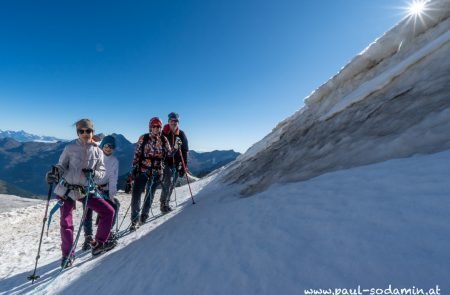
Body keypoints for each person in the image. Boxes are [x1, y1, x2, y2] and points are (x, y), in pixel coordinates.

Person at [45, 119, 116, 268]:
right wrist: (55, 173)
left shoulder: (97, 151)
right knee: (66, 222)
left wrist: (94, 173)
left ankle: (99, 243)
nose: (85, 133)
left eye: (88, 131)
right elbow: (61, 165)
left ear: (92, 132)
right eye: (81, 131)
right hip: (67, 189)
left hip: (85, 190)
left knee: (109, 211)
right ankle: (67, 256)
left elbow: (102, 172)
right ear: (78, 132)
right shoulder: (70, 148)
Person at [129, 117, 173, 231]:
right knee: (136, 194)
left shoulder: (163, 140)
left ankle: (144, 216)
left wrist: (176, 148)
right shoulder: (144, 138)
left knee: (150, 194)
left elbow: (169, 154)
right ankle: (135, 220)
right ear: (150, 127)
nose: (156, 128)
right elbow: (137, 153)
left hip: (157, 171)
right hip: (142, 170)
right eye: (154, 126)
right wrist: (134, 168)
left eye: (158, 126)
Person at [82, 135, 120, 251]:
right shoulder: (96, 155)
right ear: (103, 145)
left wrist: (112, 195)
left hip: (104, 189)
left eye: (111, 147)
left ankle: (105, 231)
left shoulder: (114, 161)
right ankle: (88, 237)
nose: (109, 149)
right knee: (87, 210)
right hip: (91, 188)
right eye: (107, 146)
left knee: (114, 206)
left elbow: (113, 178)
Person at [160, 112, 189, 212]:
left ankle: (166, 203)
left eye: (176, 121)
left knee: (172, 184)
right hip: (166, 162)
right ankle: (163, 204)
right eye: (172, 120)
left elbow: (185, 151)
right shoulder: (163, 133)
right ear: (168, 121)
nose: (174, 122)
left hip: (176, 163)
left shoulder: (181, 134)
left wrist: (184, 166)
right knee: (168, 182)